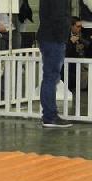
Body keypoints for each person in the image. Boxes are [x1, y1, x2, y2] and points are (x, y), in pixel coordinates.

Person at [36, 0, 73, 128]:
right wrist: (61, 37)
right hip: (53, 39)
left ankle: (49, 115)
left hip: (47, 37)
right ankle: (50, 116)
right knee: (51, 78)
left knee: (49, 77)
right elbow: (58, 16)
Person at [61, 16, 90, 90]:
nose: (79, 28)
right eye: (78, 26)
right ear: (71, 26)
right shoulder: (64, 36)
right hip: (71, 63)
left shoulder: (80, 34)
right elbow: (63, 52)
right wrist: (71, 42)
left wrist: (81, 44)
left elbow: (88, 44)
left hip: (81, 60)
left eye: (81, 26)